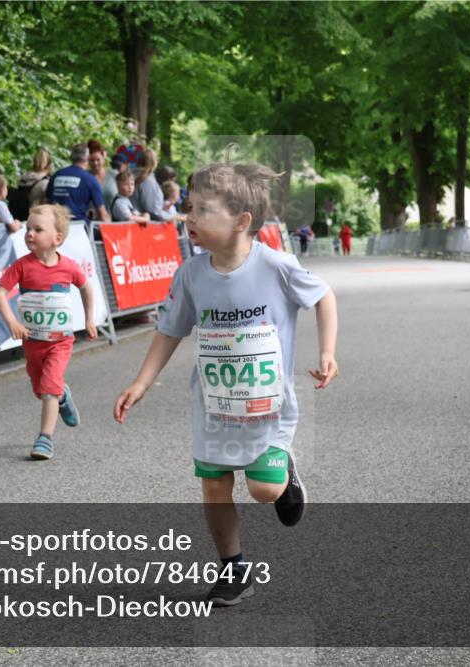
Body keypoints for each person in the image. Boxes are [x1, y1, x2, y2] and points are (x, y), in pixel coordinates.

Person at [113, 161, 339, 606]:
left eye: (202, 210)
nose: (189, 218)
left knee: (263, 491)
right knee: (215, 486)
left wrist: (327, 352)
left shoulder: (275, 266)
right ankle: (233, 568)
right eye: (190, 208)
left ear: (241, 222)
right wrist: (141, 382)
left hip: (267, 407)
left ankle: (285, 476)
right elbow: (170, 331)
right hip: (214, 406)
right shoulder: (190, 275)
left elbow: (324, 296)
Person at [0, 204, 97, 460]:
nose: (30, 233)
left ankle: (45, 438)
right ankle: (63, 396)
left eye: (38, 229)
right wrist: (12, 323)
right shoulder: (22, 266)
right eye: (28, 228)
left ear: (57, 239)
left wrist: (90, 319)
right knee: (41, 388)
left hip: (60, 342)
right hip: (33, 341)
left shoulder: (68, 267)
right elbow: (0, 292)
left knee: (48, 388)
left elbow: (86, 288)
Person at [46, 143, 110, 224]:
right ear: (88, 157)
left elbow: (45, 203)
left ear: (72, 157)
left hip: (55, 226)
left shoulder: (56, 175)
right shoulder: (90, 180)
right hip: (79, 228)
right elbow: (103, 216)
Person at [10, 148, 53, 221]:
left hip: (18, 217)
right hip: (35, 218)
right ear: (49, 164)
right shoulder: (45, 183)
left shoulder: (23, 179)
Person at [131, 148, 173, 221]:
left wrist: (162, 205)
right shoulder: (147, 180)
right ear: (154, 162)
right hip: (144, 225)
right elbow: (152, 210)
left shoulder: (130, 175)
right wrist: (170, 216)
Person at [87, 139, 118, 204]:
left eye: (98, 160)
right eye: (92, 160)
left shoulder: (114, 174)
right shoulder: (84, 176)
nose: (95, 163)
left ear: (104, 158)